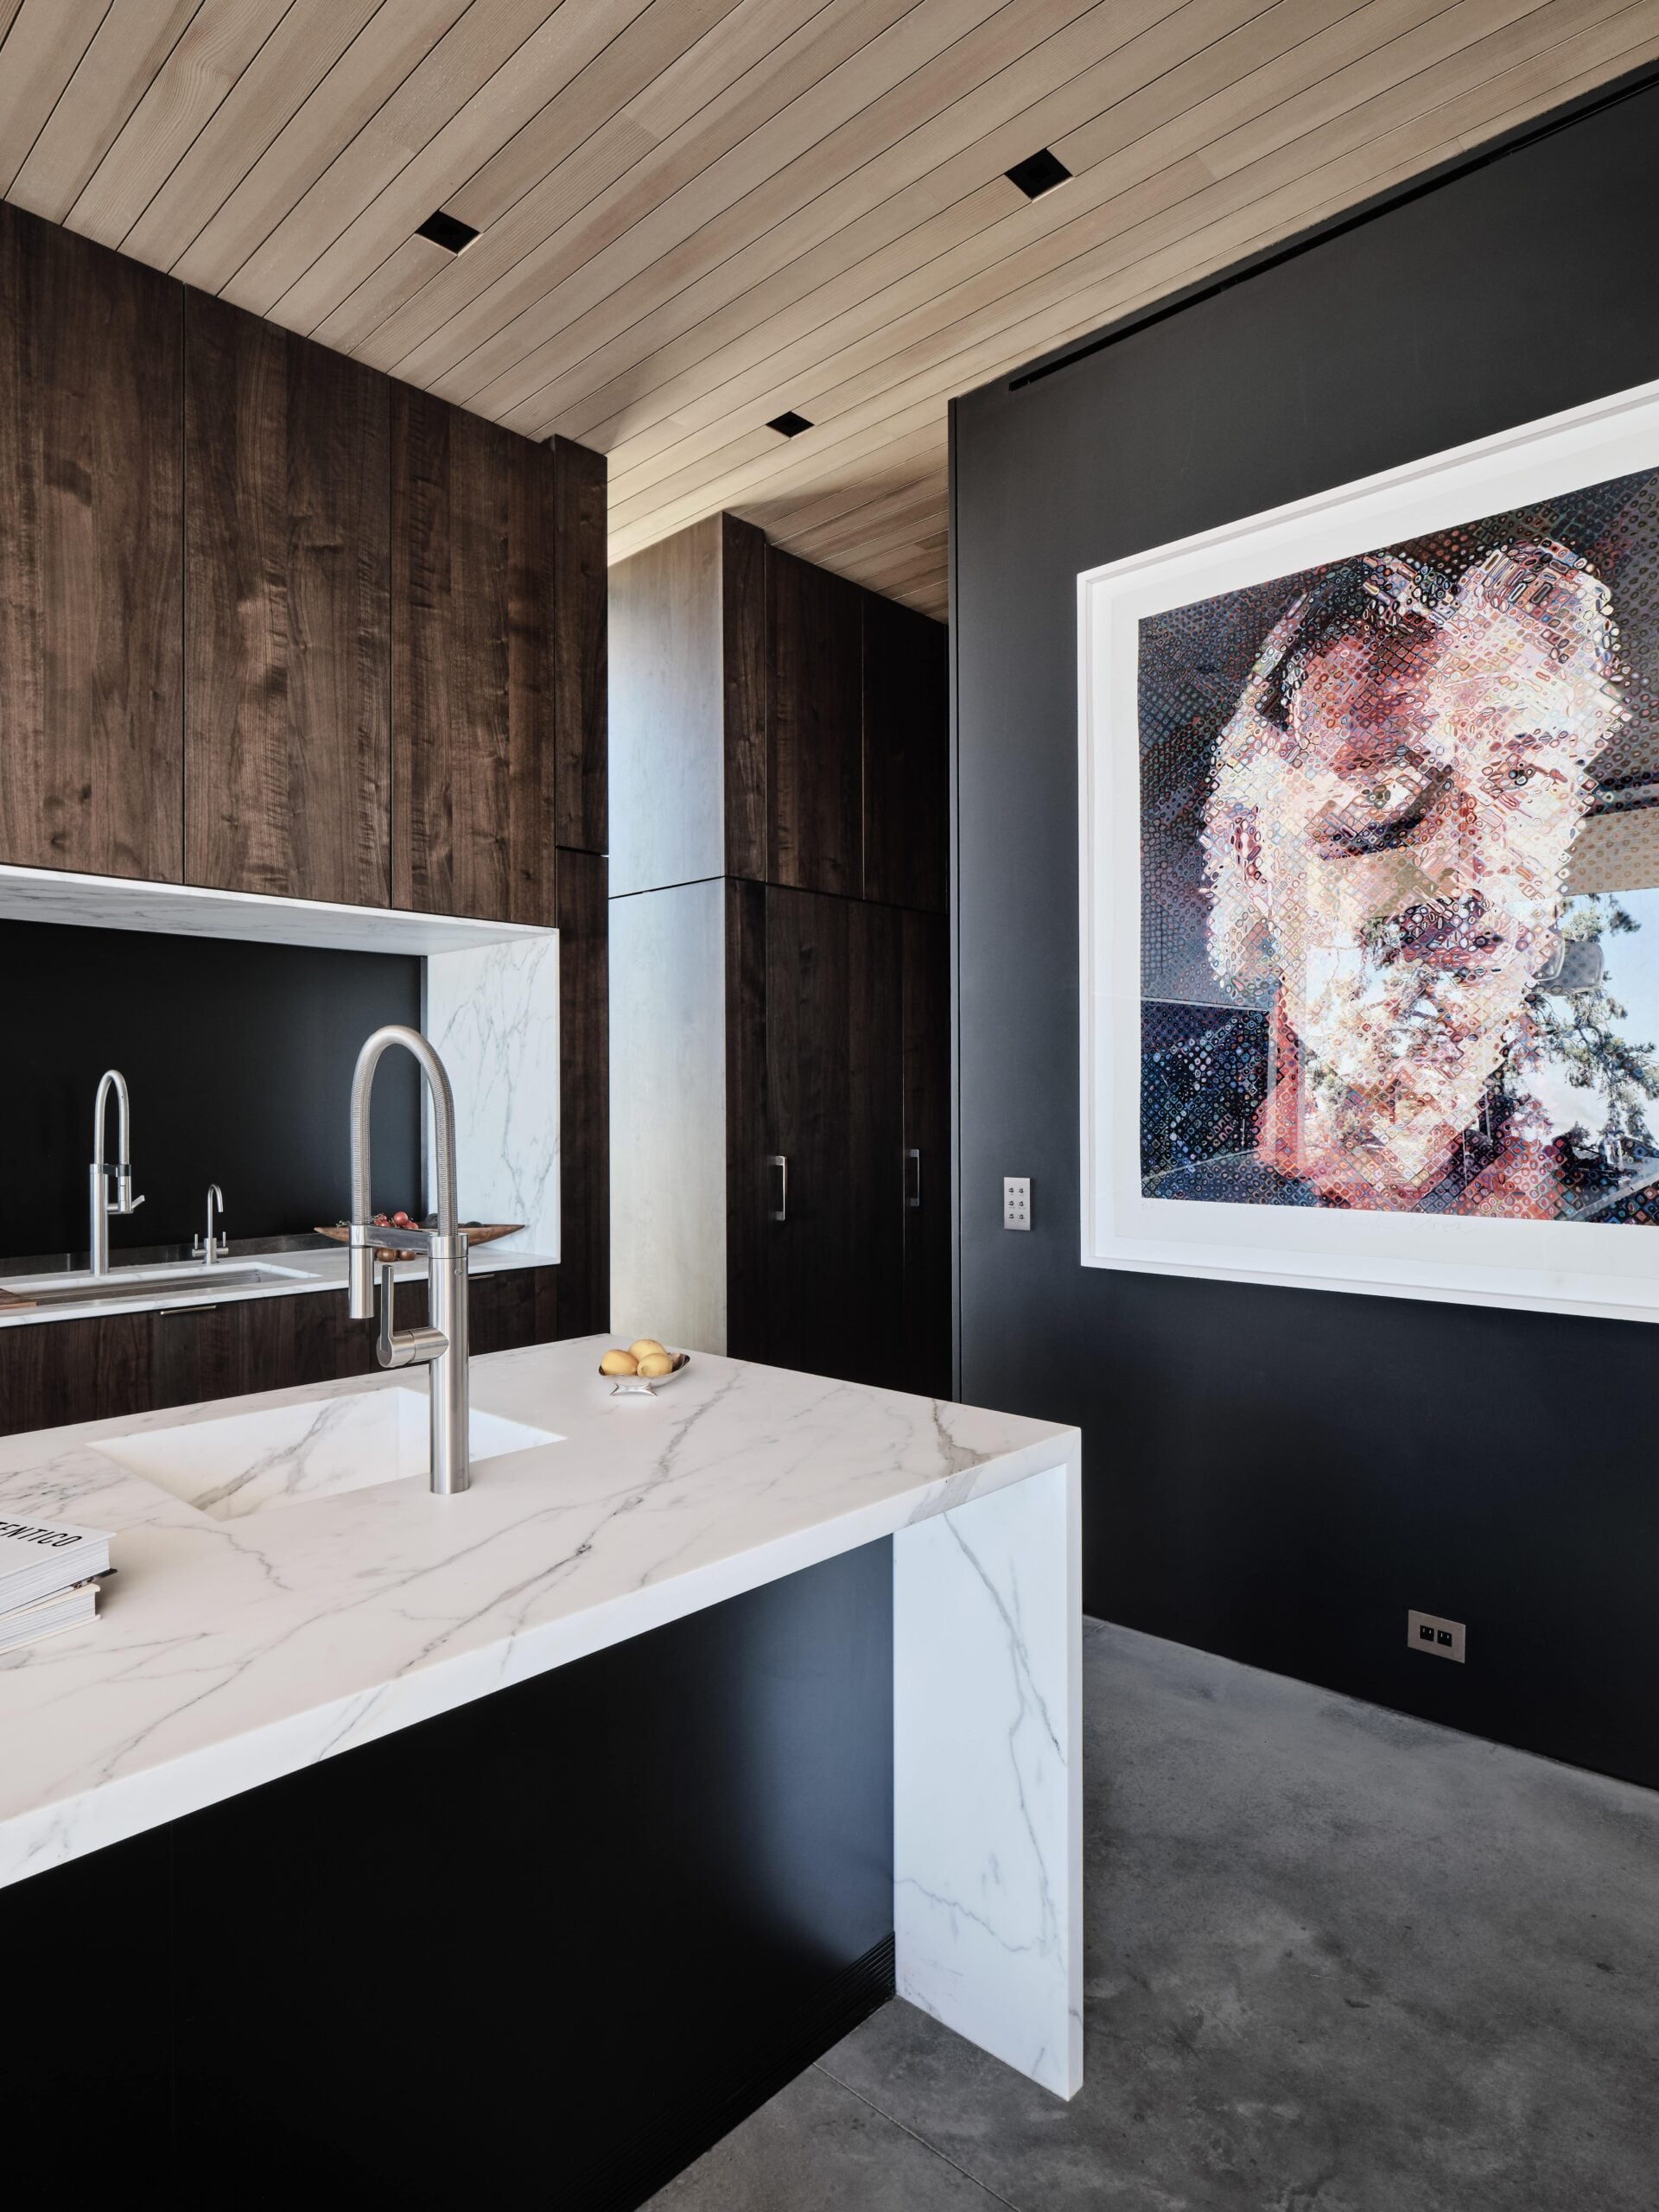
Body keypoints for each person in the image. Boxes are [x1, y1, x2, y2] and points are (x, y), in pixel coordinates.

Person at [1151, 538, 1626, 1216]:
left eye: (1520, 780)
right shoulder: (1163, 1128)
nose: (1474, 873)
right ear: (1257, 855)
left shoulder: (1622, 1169)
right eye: (1380, 795)